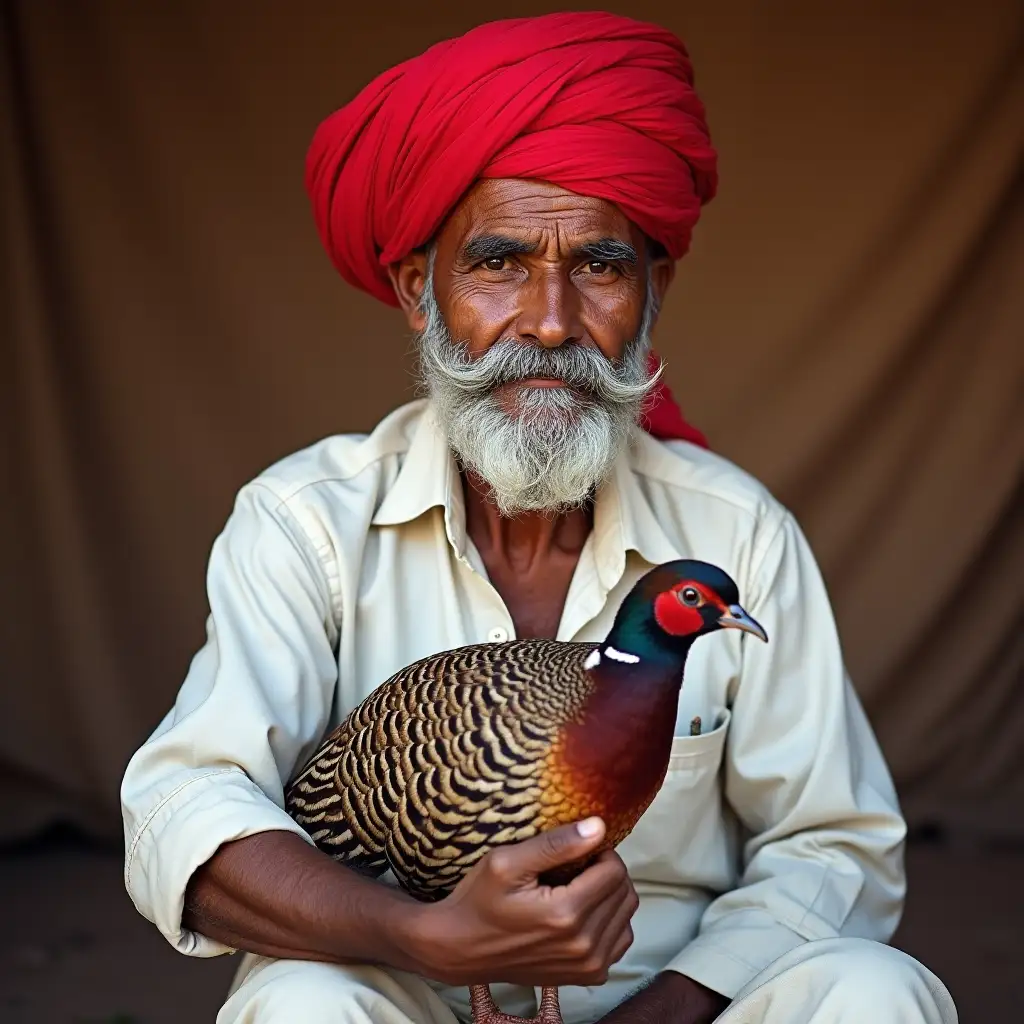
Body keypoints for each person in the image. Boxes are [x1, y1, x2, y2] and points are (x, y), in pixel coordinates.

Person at [120, 13, 956, 1024]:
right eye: (500, 263)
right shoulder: (305, 524)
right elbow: (186, 816)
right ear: (416, 292)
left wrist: (666, 1011)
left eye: (599, 265)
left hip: (668, 990)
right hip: (405, 980)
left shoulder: (737, 533)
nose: (552, 322)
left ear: (654, 291)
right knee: (299, 1004)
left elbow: (835, 844)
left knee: (876, 991)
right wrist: (420, 934)